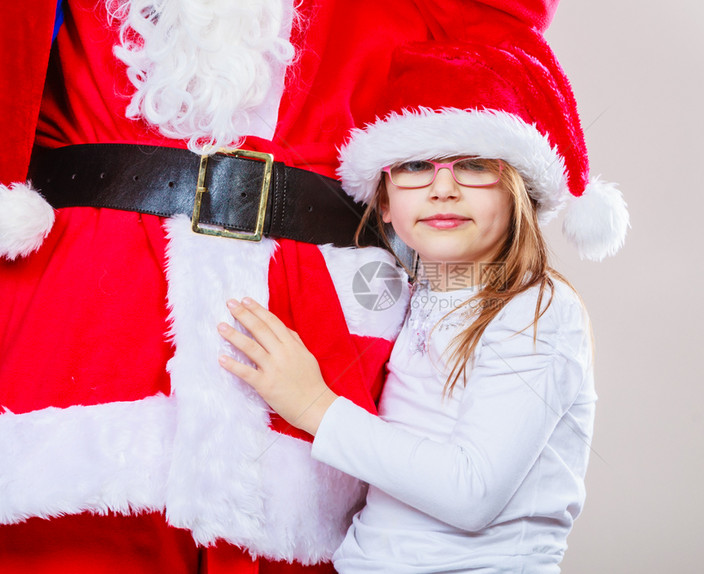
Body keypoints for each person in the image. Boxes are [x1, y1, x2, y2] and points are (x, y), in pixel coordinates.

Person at [0, 2, 572, 573]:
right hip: (84, 306)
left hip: (318, 313)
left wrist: (318, 405)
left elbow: (486, 43)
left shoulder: (523, 313)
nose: (444, 187)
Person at [217, 40, 629, 572]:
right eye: (415, 165)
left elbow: (470, 493)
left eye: (474, 166)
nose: (443, 189)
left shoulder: (537, 310)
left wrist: (313, 405)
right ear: (385, 201)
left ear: (518, 189)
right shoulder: (413, 293)